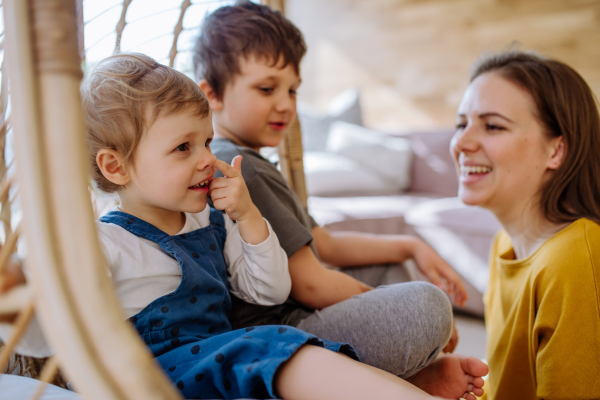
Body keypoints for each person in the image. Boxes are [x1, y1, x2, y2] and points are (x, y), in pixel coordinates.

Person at [0, 52, 448, 400]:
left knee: (274, 347)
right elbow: (55, 325)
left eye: (207, 141)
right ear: (116, 168)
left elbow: (267, 291)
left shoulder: (210, 218)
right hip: (158, 378)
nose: (206, 159)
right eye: (182, 147)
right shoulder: (105, 243)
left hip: (223, 361)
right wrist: (18, 294)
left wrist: (249, 217)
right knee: (272, 346)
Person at [194, 3, 487, 399]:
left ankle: (404, 374)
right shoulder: (239, 169)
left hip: (298, 316)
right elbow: (312, 284)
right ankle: (406, 377)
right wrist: (400, 308)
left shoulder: (256, 162)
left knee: (391, 268)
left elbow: (323, 243)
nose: (285, 104)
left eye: (293, 89)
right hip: (281, 334)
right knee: (426, 308)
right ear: (211, 93)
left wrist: (410, 244)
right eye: (267, 88)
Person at [451, 50, 600, 399]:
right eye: (461, 123)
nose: (461, 143)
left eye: (492, 126)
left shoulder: (574, 261)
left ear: (556, 151)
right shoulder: (503, 244)